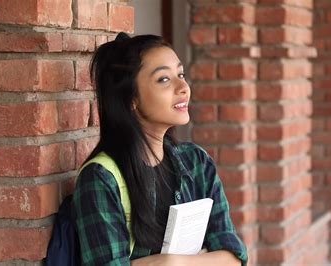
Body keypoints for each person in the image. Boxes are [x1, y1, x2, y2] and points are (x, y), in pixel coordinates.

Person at [72, 32, 248, 265]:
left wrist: (170, 263)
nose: (183, 87)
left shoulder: (196, 163)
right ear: (131, 98)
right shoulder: (102, 179)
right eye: (164, 79)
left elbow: (235, 257)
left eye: (181, 74)